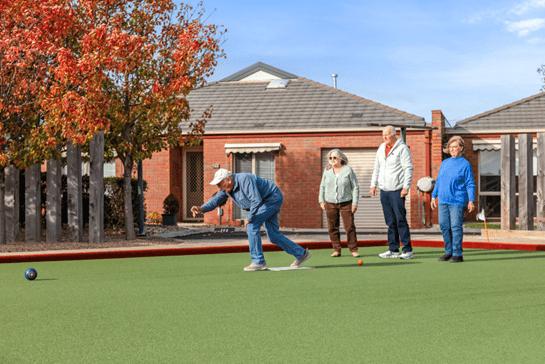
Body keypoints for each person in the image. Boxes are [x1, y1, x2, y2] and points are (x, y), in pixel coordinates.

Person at [191, 168, 312, 271]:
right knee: (273, 236)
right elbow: (215, 200)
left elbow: (256, 200)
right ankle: (301, 254)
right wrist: (201, 209)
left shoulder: (245, 179)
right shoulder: (227, 188)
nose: (219, 188)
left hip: (272, 199)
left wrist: (249, 218)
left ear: (228, 180)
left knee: (251, 225)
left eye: (219, 184)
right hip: (265, 202)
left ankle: (258, 262)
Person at [370, 125, 414, 259]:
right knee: (390, 221)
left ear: (394, 135)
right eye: (383, 135)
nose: (384, 137)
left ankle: (407, 250)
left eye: (387, 134)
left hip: (397, 190)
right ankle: (393, 249)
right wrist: (373, 185)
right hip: (384, 190)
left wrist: (406, 187)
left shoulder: (402, 149)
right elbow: (376, 167)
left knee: (400, 220)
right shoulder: (381, 148)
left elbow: (408, 168)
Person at [431, 136, 475, 263]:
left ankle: (457, 253)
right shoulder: (445, 163)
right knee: (444, 225)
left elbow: (470, 183)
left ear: (461, 148)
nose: (452, 149)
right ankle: (448, 252)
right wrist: (434, 196)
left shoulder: (465, 164)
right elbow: (439, 181)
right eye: (450, 147)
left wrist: (471, 200)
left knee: (455, 226)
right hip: (443, 200)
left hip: (457, 200)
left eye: (455, 147)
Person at [319, 149, 360, 258]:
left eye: (334, 157)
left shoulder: (348, 170)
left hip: (346, 202)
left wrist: (355, 203)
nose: (332, 160)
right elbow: (322, 186)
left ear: (340, 158)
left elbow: (355, 187)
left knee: (349, 226)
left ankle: (353, 249)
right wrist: (321, 200)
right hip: (330, 202)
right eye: (330, 158)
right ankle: (336, 249)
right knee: (332, 227)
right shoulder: (327, 170)